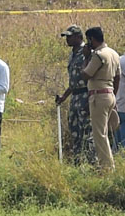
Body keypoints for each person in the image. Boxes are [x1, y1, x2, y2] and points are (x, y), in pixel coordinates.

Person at [81, 27, 121, 172]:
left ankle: (107, 167)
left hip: (98, 95)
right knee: (104, 132)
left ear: (92, 39)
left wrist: (86, 57)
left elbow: (86, 75)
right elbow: (118, 78)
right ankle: (108, 162)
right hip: (110, 94)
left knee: (99, 134)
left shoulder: (98, 55)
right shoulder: (114, 54)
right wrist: (114, 97)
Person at [56, 25, 94, 164]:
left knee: (87, 132)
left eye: (70, 36)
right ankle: (77, 162)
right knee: (75, 131)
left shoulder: (87, 53)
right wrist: (64, 97)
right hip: (75, 97)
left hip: (86, 94)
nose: (67, 39)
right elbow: (74, 81)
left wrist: (91, 100)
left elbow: (90, 77)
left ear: (79, 37)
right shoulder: (73, 54)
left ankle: (92, 163)